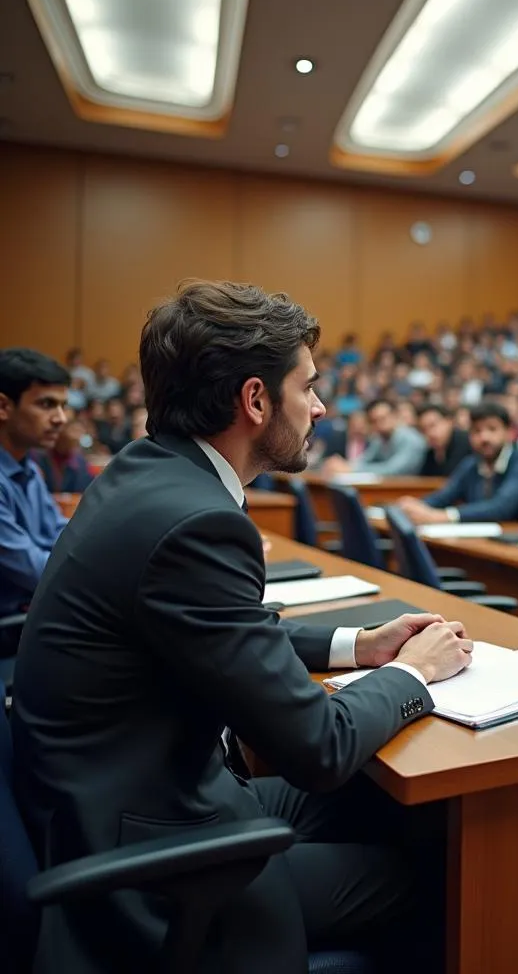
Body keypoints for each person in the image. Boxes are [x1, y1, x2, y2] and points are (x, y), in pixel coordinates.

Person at [12, 279, 473, 973]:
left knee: (397, 810)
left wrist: (360, 645)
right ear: (255, 400)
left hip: (124, 799)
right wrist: (415, 674)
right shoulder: (198, 522)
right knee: (443, 876)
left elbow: (216, 633)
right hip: (150, 864)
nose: (320, 407)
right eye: (308, 387)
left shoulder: (146, 474)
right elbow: (317, 748)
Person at [0, 348, 71, 623]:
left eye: (63, 406)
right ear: (4, 407)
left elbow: (60, 534)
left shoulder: (28, 468)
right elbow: (35, 570)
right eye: (46, 404)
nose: (60, 419)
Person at [398, 400, 518, 524]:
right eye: (477, 431)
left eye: (492, 429)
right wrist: (415, 506)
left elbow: (501, 508)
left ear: (509, 432)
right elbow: (444, 496)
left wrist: (443, 516)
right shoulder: (471, 464)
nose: (484, 437)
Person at [322, 398, 426, 477]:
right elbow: (365, 459)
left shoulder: (411, 439)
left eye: (383, 418)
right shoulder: (380, 438)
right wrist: (344, 465)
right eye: (374, 421)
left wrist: (350, 469)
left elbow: (393, 470)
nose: (380, 424)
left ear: (395, 416)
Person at [33, 414, 94, 493]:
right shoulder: (39, 457)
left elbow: (84, 490)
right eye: (74, 431)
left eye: (80, 432)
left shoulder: (80, 461)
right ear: (60, 431)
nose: (76, 437)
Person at [416, 402, 472, 477]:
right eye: (424, 430)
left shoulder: (467, 442)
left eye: (433, 425)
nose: (430, 433)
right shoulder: (431, 452)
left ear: (449, 421)